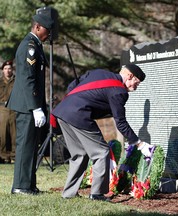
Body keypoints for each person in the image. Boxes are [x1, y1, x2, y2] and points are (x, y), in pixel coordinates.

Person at [51, 63, 155, 201]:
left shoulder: (98, 72)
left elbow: (73, 85)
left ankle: (69, 194)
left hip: (62, 112)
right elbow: (121, 123)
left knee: (79, 155)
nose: (136, 87)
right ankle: (97, 194)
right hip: (79, 115)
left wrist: (75, 101)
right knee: (101, 152)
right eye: (137, 83)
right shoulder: (119, 91)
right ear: (130, 76)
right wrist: (140, 144)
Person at [6, 13, 54, 195]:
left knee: (31, 146)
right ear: (38, 27)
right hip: (27, 105)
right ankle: (20, 186)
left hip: (31, 104)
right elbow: (28, 79)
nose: (49, 34)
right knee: (25, 145)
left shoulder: (36, 45)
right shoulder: (29, 46)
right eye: (47, 31)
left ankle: (28, 184)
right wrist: (35, 107)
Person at [0, 60, 16, 164]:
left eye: (9, 68)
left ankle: (15, 155)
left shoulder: (17, 81)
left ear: (12, 70)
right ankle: (4, 156)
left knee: (15, 133)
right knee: (3, 134)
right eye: (5, 69)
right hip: (2, 109)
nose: (7, 71)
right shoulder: (0, 82)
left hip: (14, 108)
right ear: (2, 71)